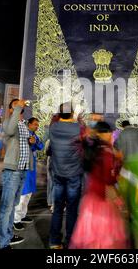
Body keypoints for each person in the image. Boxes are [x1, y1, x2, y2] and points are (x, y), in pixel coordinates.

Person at [70, 121, 128, 248]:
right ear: (102, 134)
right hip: (104, 199)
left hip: (92, 198)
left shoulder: (95, 149)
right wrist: (118, 198)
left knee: (93, 238)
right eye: (109, 132)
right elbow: (108, 178)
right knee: (105, 239)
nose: (112, 134)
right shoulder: (106, 152)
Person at [48, 102, 83, 249]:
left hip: (58, 173)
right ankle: (70, 241)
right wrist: (78, 118)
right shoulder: (78, 128)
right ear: (72, 112)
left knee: (57, 209)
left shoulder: (53, 127)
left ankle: (54, 242)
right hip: (74, 174)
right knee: (72, 209)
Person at [0, 98, 30, 249]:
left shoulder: (23, 124)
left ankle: (8, 235)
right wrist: (17, 108)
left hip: (22, 169)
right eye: (15, 105)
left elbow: (24, 144)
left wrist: (32, 140)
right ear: (11, 109)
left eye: (20, 105)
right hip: (12, 170)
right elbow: (10, 131)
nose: (19, 106)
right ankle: (3, 242)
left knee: (13, 205)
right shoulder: (8, 122)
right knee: (7, 207)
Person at [13, 117, 44, 230]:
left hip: (32, 169)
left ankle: (22, 216)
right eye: (35, 124)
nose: (37, 126)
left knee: (28, 195)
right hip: (24, 168)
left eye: (37, 125)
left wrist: (34, 142)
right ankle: (15, 220)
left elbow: (41, 146)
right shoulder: (23, 134)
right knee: (22, 194)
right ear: (29, 124)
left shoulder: (33, 135)